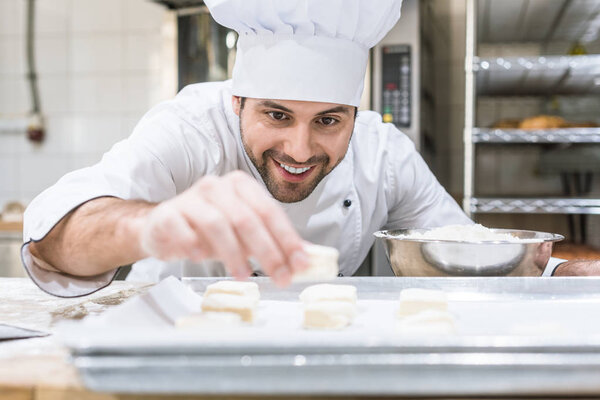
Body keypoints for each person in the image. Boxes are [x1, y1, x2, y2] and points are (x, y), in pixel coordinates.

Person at [21, 0, 598, 298]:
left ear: (354, 114)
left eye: (328, 120)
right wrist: (152, 226)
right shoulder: (191, 127)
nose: (300, 149)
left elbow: (461, 249)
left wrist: (557, 272)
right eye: (276, 114)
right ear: (237, 101)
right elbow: (55, 241)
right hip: (173, 357)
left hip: (312, 353)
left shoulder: (381, 150)